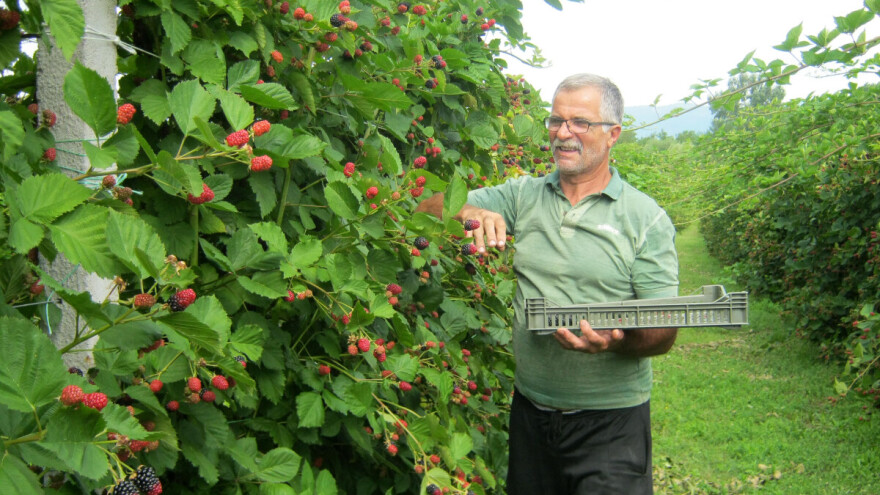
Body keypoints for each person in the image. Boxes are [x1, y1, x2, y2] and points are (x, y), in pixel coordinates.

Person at [417, 73, 679, 494]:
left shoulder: (645, 219)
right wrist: (469, 214)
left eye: (580, 122)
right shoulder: (524, 195)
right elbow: (427, 209)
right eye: (556, 121)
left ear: (613, 134)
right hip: (531, 413)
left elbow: (663, 332)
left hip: (611, 426)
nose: (563, 133)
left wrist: (613, 341)